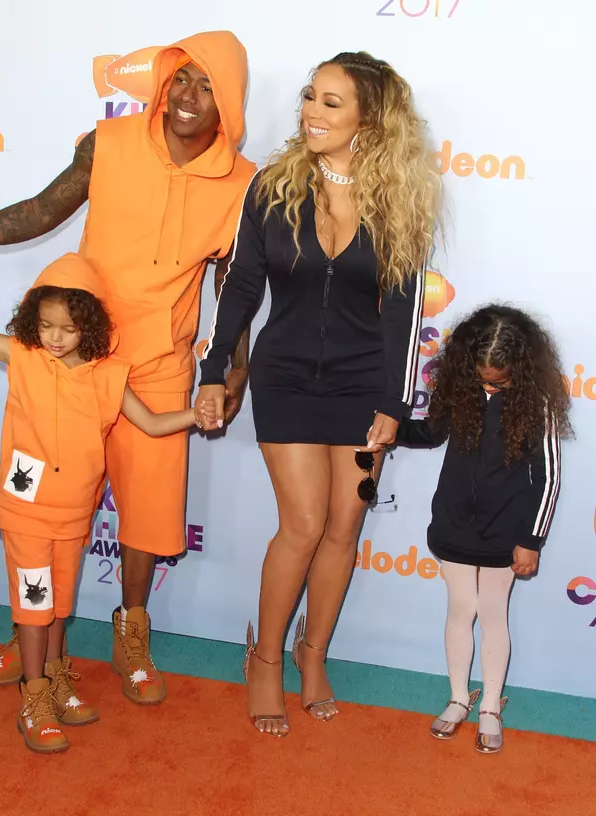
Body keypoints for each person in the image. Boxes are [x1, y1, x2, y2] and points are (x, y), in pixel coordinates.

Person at [0, 31, 256, 704]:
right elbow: (41, 210)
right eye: (181, 77)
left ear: (229, 101)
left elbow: (235, 285)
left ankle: (131, 633)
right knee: (44, 511)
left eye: (207, 85)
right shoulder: (109, 143)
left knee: (148, 513)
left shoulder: (243, 184)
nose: (187, 95)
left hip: (158, 367)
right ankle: (33, 634)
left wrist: (231, 371)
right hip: (74, 361)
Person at [195, 52, 441, 737]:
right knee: (302, 525)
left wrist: (394, 403)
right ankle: (265, 659)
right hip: (286, 379)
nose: (311, 111)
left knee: (344, 526)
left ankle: (313, 654)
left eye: (332, 102)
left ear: (371, 118)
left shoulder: (400, 199)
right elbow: (242, 286)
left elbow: (404, 313)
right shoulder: (272, 187)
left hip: (365, 386)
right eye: (310, 96)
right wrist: (213, 369)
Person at [0, 232, 197, 752]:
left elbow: (150, 423)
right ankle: (33, 697)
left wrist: (199, 414)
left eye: (68, 328)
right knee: (36, 606)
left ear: (90, 325)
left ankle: (55, 679)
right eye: (46, 325)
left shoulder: (109, 376)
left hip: (73, 518)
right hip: (26, 513)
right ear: (32, 321)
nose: (55, 338)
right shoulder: (23, 357)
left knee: (57, 606)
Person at [396, 304, 570, 754]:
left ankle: (490, 705)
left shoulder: (538, 403)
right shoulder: (460, 390)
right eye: (482, 379)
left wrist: (531, 540)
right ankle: (458, 698)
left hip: (506, 528)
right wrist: (390, 426)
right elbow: (431, 433)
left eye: (499, 382)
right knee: (460, 609)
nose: (489, 387)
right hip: (453, 518)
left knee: (493, 613)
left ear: (522, 372)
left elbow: (549, 477)